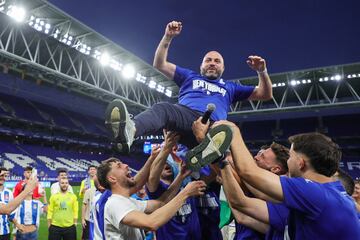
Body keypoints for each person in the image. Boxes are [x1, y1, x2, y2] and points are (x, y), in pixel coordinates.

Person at [105, 20, 273, 154]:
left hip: (212, 125)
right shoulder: (189, 76)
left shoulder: (231, 87)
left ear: (223, 68)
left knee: (225, 129)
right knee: (162, 108)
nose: (212, 64)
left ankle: (207, 157)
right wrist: (167, 37)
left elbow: (265, 94)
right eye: (208, 60)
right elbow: (159, 64)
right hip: (184, 116)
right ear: (201, 65)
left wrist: (262, 71)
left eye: (217, 61)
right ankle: (130, 131)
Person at [204, 122, 360, 239]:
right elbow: (243, 201)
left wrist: (233, 131)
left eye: (291, 156)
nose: (288, 161)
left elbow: (248, 172)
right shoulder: (329, 195)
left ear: (300, 162)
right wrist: (223, 164)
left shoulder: (315, 193)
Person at [97, 158, 207, 240]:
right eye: (119, 166)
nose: (126, 165)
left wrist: (181, 176)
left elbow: (161, 203)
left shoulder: (128, 201)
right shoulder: (115, 203)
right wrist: (185, 193)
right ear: (112, 178)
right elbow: (151, 222)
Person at [146, 131, 201, 240]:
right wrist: (167, 148)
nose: (166, 164)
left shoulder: (187, 183)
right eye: (162, 164)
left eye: (169, 162)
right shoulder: (156, 190)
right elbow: (152, 177)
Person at [0, 167, 38, 240]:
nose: (3, 178)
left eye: (5, 176)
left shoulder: (9, 193)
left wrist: (17, 224)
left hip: (5, 232)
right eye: (1, 175)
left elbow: (11, 212)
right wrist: (28, 189)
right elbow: (6, 210)